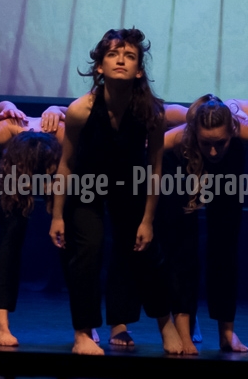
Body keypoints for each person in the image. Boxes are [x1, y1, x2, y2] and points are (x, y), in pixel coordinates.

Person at [50, 29, 180, 355]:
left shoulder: (151, 112)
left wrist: (147, 220)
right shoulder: (81, 110)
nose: (120, 60)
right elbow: (66, 164)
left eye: (129, 56)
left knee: (143, 251)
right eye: (112, 54)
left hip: (129, 184)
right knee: (88, 249)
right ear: (99, 67)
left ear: (139, 70)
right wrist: (57, 215)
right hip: (87, 184)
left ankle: (164, 324)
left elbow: (155, 168)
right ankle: (82, 333)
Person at [157, 94, 248, 354]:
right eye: (207, 143)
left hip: (227, 178)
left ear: (231, 131)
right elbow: (151, 147)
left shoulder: (242, 130)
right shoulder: (180, 137)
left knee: (225, 248)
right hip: (181, 173)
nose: (213, 151)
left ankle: (227, 332)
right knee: (183, 249)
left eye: (220, 143)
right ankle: (184, 331)